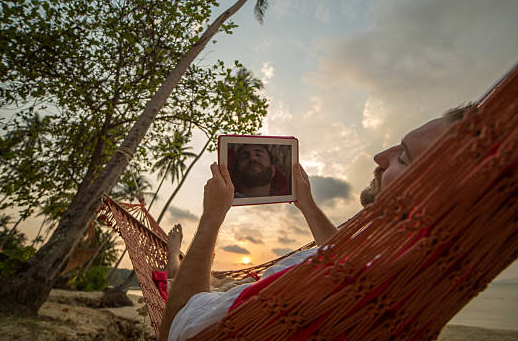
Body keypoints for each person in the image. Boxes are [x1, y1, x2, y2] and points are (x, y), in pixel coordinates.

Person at [158, 106, 471, 341]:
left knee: (183, 279)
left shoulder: (320, 279)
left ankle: (176, 260)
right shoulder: (395, 265)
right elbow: (341, 253)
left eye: (403, 157)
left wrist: (211, 218)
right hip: (240, 294)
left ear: (430, 194)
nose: (380, 156)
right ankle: (190, 264)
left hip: (205, 308)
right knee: (215, 279)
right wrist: (307, 204)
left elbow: (174, 329)